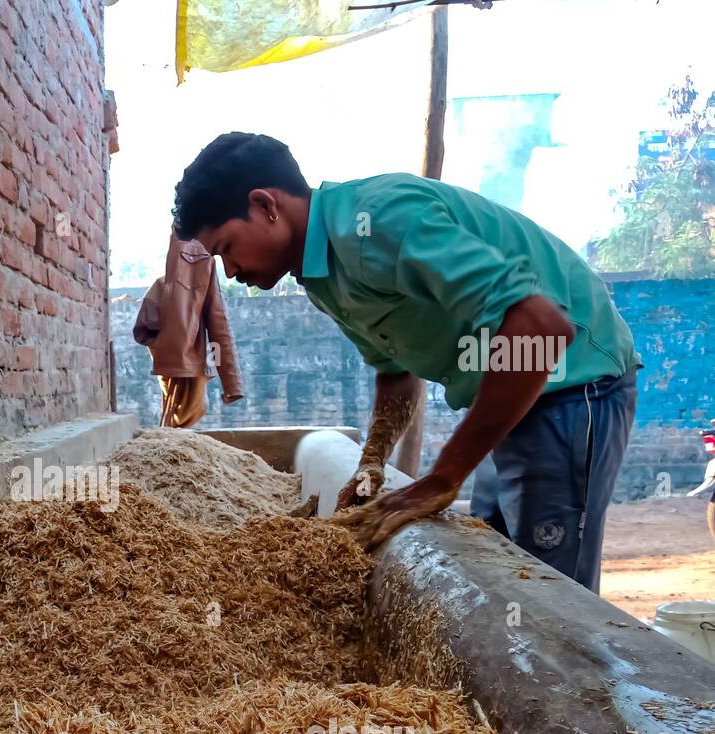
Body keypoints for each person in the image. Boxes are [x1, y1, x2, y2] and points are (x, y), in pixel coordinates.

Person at [172, 132, 641, 591]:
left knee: (549, 599)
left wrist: (443, 477)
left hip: (572, 384)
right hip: (512, 397)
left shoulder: (379, 219)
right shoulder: (320, 279)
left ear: (266, 205)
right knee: (501, 576)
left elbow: (540, 329)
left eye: (227, 248)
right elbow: (396, 373)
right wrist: (371, 462)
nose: (230, 272)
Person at [133, 230, 245, 428]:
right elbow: (219, 326)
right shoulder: (167, 282)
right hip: (181, 366)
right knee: (178, 420)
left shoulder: (175, 280)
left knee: (181, 417)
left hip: (188, 364)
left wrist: (230, 382)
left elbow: (217, 327)